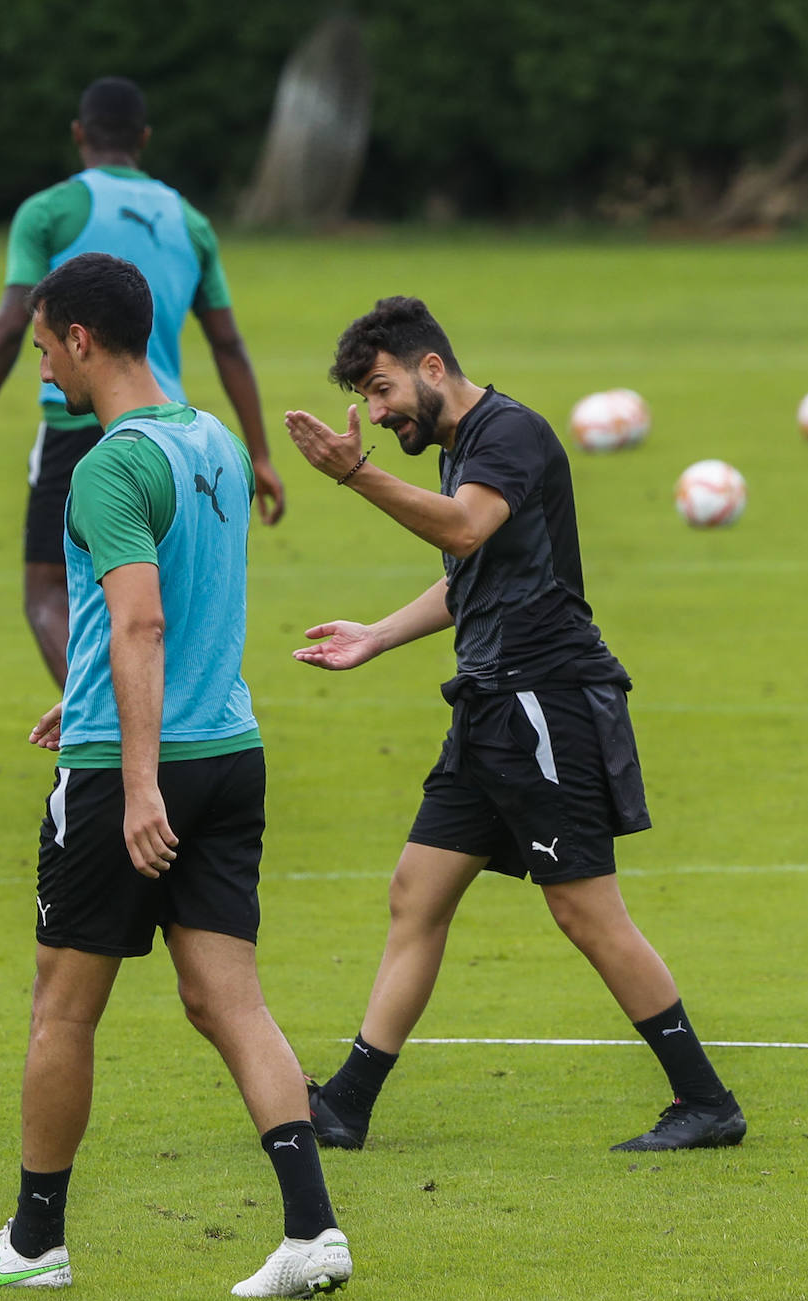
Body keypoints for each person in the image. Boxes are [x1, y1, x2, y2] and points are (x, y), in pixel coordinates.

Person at [0, 253, 351, 1299]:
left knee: (61, 1010)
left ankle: (33, 1246)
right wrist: (82, 693)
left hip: (137, 774)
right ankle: (312, 1233)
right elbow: (180, 611)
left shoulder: (107, 465)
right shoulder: (207, 439)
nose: (42, 374)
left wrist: (137, 778)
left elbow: (143, 618)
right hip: (231, 754)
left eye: (43, 350)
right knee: (227, 1000)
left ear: (81, 338)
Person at [284, 295, 746, 1155]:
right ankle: (346, 1104)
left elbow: (463, 529)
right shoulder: (467, 449)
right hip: (491, 702)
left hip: (544, 699)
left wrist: (352, 474)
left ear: (431, 367)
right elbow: (470, 574)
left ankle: (704, 1100)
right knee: (416, 894)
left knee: (584, 910)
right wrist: (378, 635)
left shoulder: (507, 434)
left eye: (381, 391)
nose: (378, 414)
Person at [0, 76, 284, 688]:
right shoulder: (191, 221)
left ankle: (103, 723)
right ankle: (168, 728)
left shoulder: (48, 212)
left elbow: (6, 329)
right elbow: (228, 343)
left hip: (79, 426)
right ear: (144, 139)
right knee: (162, 596)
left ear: (78, 134)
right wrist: (259, 453)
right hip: (174, 436)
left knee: (47, 591)